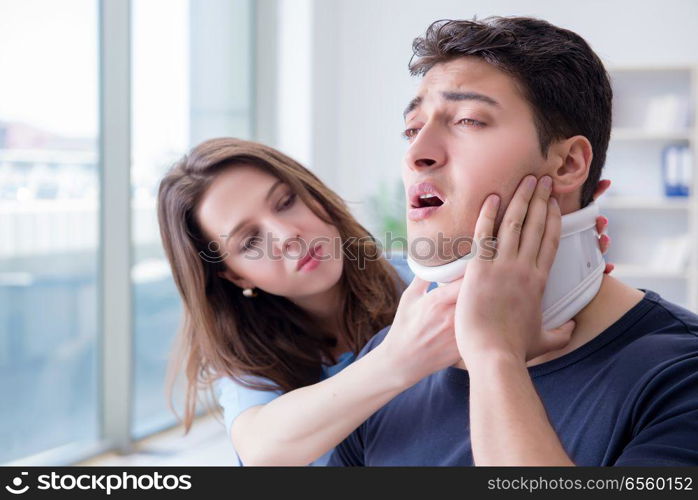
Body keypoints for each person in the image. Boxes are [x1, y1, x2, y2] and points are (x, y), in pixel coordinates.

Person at [328, 16, 698, 466]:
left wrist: (495, 358)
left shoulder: (681, 376)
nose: (416, 152)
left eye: (467, 119)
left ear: (566, 165)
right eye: (411, 129)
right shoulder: (394, 359)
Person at [157, 137, 612, 466]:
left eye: (286, 202)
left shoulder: (420, 278)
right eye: (251, 240)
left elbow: (519, 292)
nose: (288, 235)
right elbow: (261, 450)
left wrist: (573, 258)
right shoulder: (245, 360)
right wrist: (400, 359)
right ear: (233, 273)